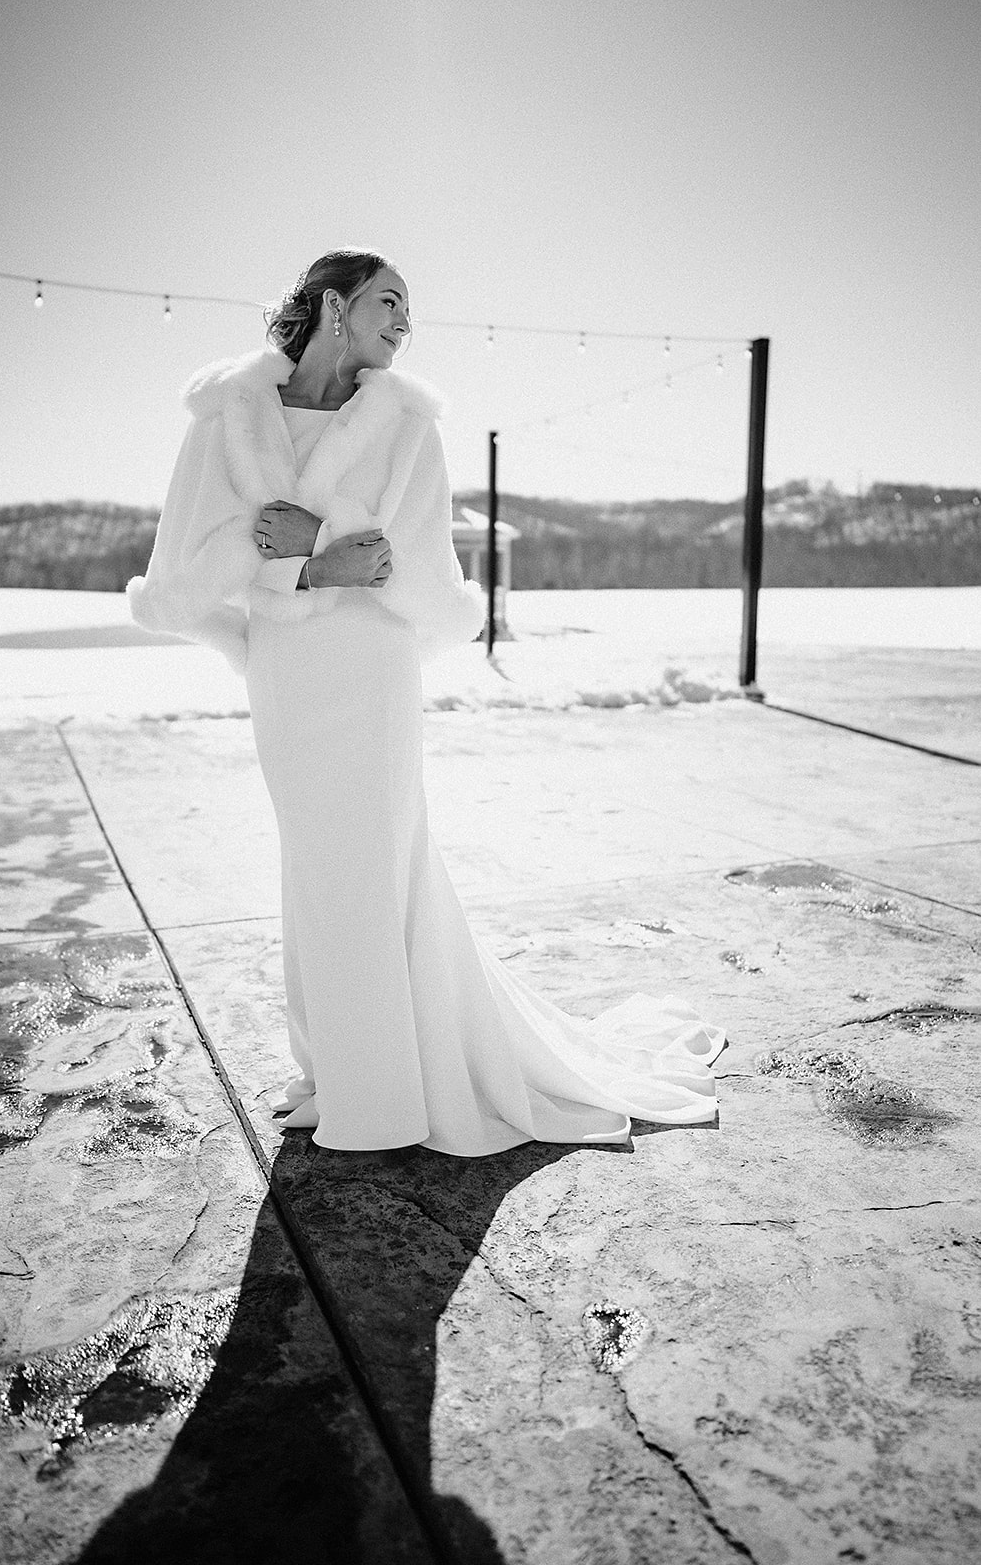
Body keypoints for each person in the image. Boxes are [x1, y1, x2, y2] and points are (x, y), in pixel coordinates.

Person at [128, 247, 725, 1155]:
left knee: (374, 864)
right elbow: (182, 576)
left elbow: (416, 576)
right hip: (287, 675)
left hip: (373, 671)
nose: (405, 322)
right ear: (334, 306)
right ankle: (343, 1071)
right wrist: (305, 569)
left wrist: (319, 542)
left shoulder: (409, 424)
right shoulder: (228, 414)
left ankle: (383, 1096)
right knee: (317, 871)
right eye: (388, 301)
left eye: (409, 308)